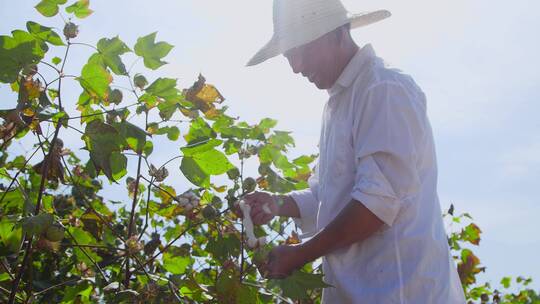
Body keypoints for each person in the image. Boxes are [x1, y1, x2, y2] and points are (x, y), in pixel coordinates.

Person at [243, 0, 466, 303]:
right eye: (288, 56)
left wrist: (300, 254)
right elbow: (327, 196)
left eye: (301, 49)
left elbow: (376, 205)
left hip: (401, 294)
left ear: (337, 33)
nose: (295, 67)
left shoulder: (383, 90)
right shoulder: (337, 106)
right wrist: (277, 204)